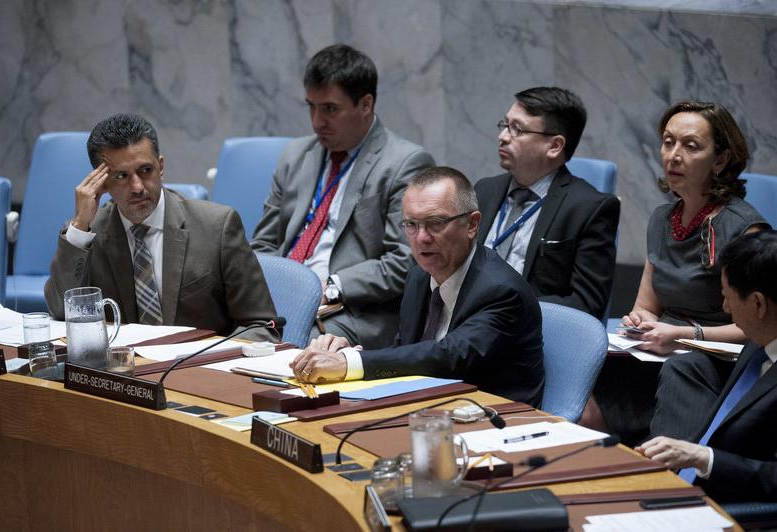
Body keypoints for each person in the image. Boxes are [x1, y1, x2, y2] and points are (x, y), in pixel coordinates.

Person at [587, 101, 769, 444]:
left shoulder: (744, 228)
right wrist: (640, 322)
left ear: (720, 160)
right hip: (661, 345)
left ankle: (668, 465)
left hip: (714, 356)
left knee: (681, 369)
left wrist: (683, 335)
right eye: (668, 142)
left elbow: (756, 326)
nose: (673, 155)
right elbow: (646, 307)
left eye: (691, 146)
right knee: (596, 363)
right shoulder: (662, 218)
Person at [289, 167, 544, 406]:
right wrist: (345, 354)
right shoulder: (419, 277)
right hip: (430, 407)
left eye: (436, 223)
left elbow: (448, 358)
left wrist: (352, 362)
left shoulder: (501, 291)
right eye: (411, 224)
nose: (421, 237)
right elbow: (410, 354)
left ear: (472, 225)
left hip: (494, 417)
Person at [250, 43, 435, 349]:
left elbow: (406, 259)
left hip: (350, 309)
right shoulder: (296, 155)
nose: (317, 121)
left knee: (296, 345)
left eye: (330, 109)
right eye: (311, 106)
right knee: (218, 328)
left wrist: (333, 287)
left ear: (366, 104)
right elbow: (264, 243)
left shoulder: (404, 164)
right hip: (282, 298)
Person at [44, 113, 279, 340]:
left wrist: (212, 357)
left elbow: (261, 326)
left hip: (200, 364)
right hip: (122, 365)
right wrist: (80, 226)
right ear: (101, 182)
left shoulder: (217, 227)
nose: (137, 187)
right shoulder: (86, 235)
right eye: (122, 176)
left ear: (161, 166)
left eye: (145, 171)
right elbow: (61, 312)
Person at [637, 231, 777, 502]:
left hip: (730, 502)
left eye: (728, 297)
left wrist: (704, 458)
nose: (726, 308)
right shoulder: (761, 337)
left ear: (758, 303)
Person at [475, 86, 620, 321]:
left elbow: (586, 303)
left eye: (517, 129)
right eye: (505, 125)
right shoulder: (484, 191)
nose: (503, 136)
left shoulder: (590, 208)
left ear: (554, 146)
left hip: (528, 331)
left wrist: (506, 309)